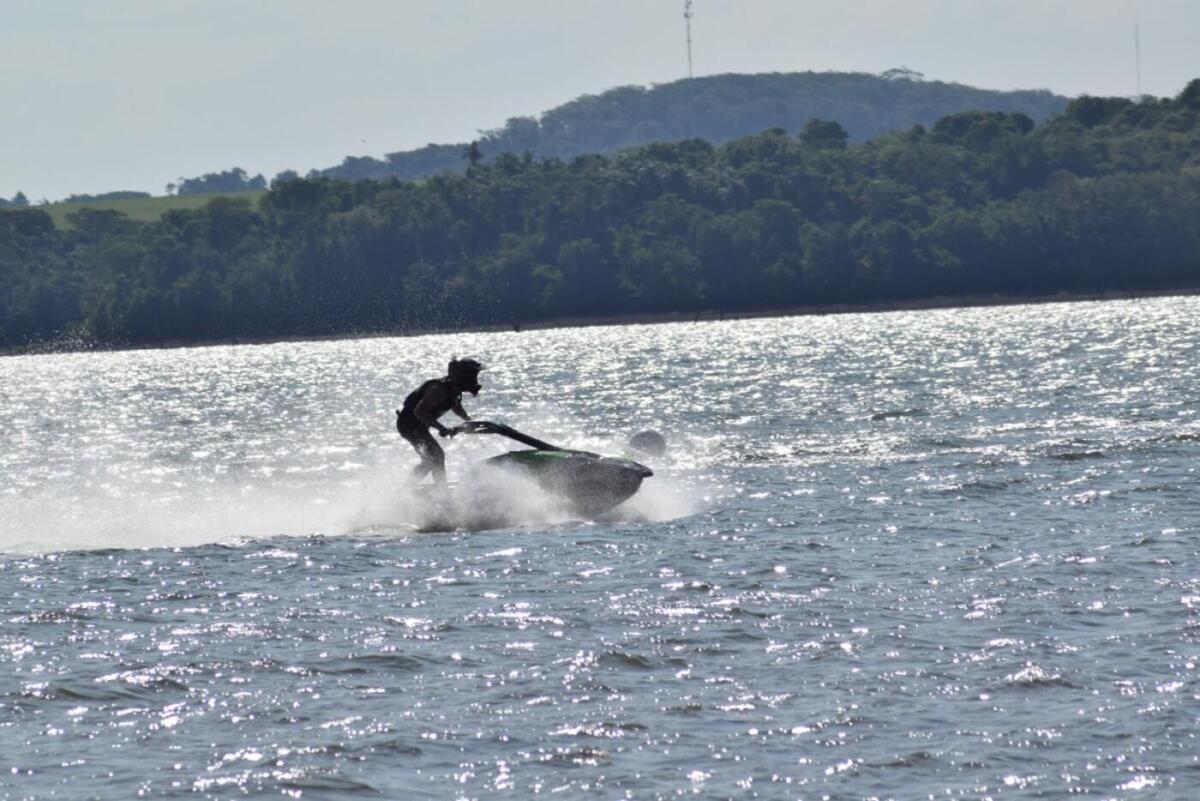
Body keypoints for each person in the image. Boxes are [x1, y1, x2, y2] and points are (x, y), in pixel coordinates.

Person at [395, 358, 484, 484]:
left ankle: (407, 488)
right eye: (471, 376)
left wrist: (468, 419)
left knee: (430, 460)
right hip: (408, 425)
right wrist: (440, 428)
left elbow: (456, 407)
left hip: (419, 426)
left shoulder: (453, 390)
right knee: (437, 456)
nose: (474, 380)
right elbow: (419, 411)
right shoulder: (439, 389)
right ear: (460, 376)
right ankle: (441, 491)